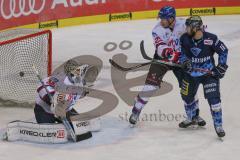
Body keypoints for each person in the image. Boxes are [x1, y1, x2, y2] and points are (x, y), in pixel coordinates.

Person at [129, 6, 206, 127]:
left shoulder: (183, 25)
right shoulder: (157, 29)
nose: (161, 20)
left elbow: (199, 31)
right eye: (161, 18)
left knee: (188, 88)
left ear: (171, 18)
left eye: (164, 18)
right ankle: (136, 111)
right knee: (150, 86)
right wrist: (171, 54)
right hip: (162, 59)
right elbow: (160, 47)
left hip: (181, 60)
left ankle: (194, 115)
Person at [179, 15, 228, 137]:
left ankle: (218, 125)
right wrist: (184, 61)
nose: (187, 29)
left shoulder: (211, 38)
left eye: (189, 27)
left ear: (195, 28)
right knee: (186, 97)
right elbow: (180, 52)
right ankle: (192, 118)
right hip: (190, 74)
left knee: (214, 100)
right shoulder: (184, 38)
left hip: (209, 74)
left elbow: (223, 50)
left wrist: (221, 66)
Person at [34, 60, 89, 124]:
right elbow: (42, 85)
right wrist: (51, 97)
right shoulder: (60, 79)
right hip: (45, 109)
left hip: (65, 110)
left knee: (82, 130)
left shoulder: (81, 84)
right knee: (49, 131)